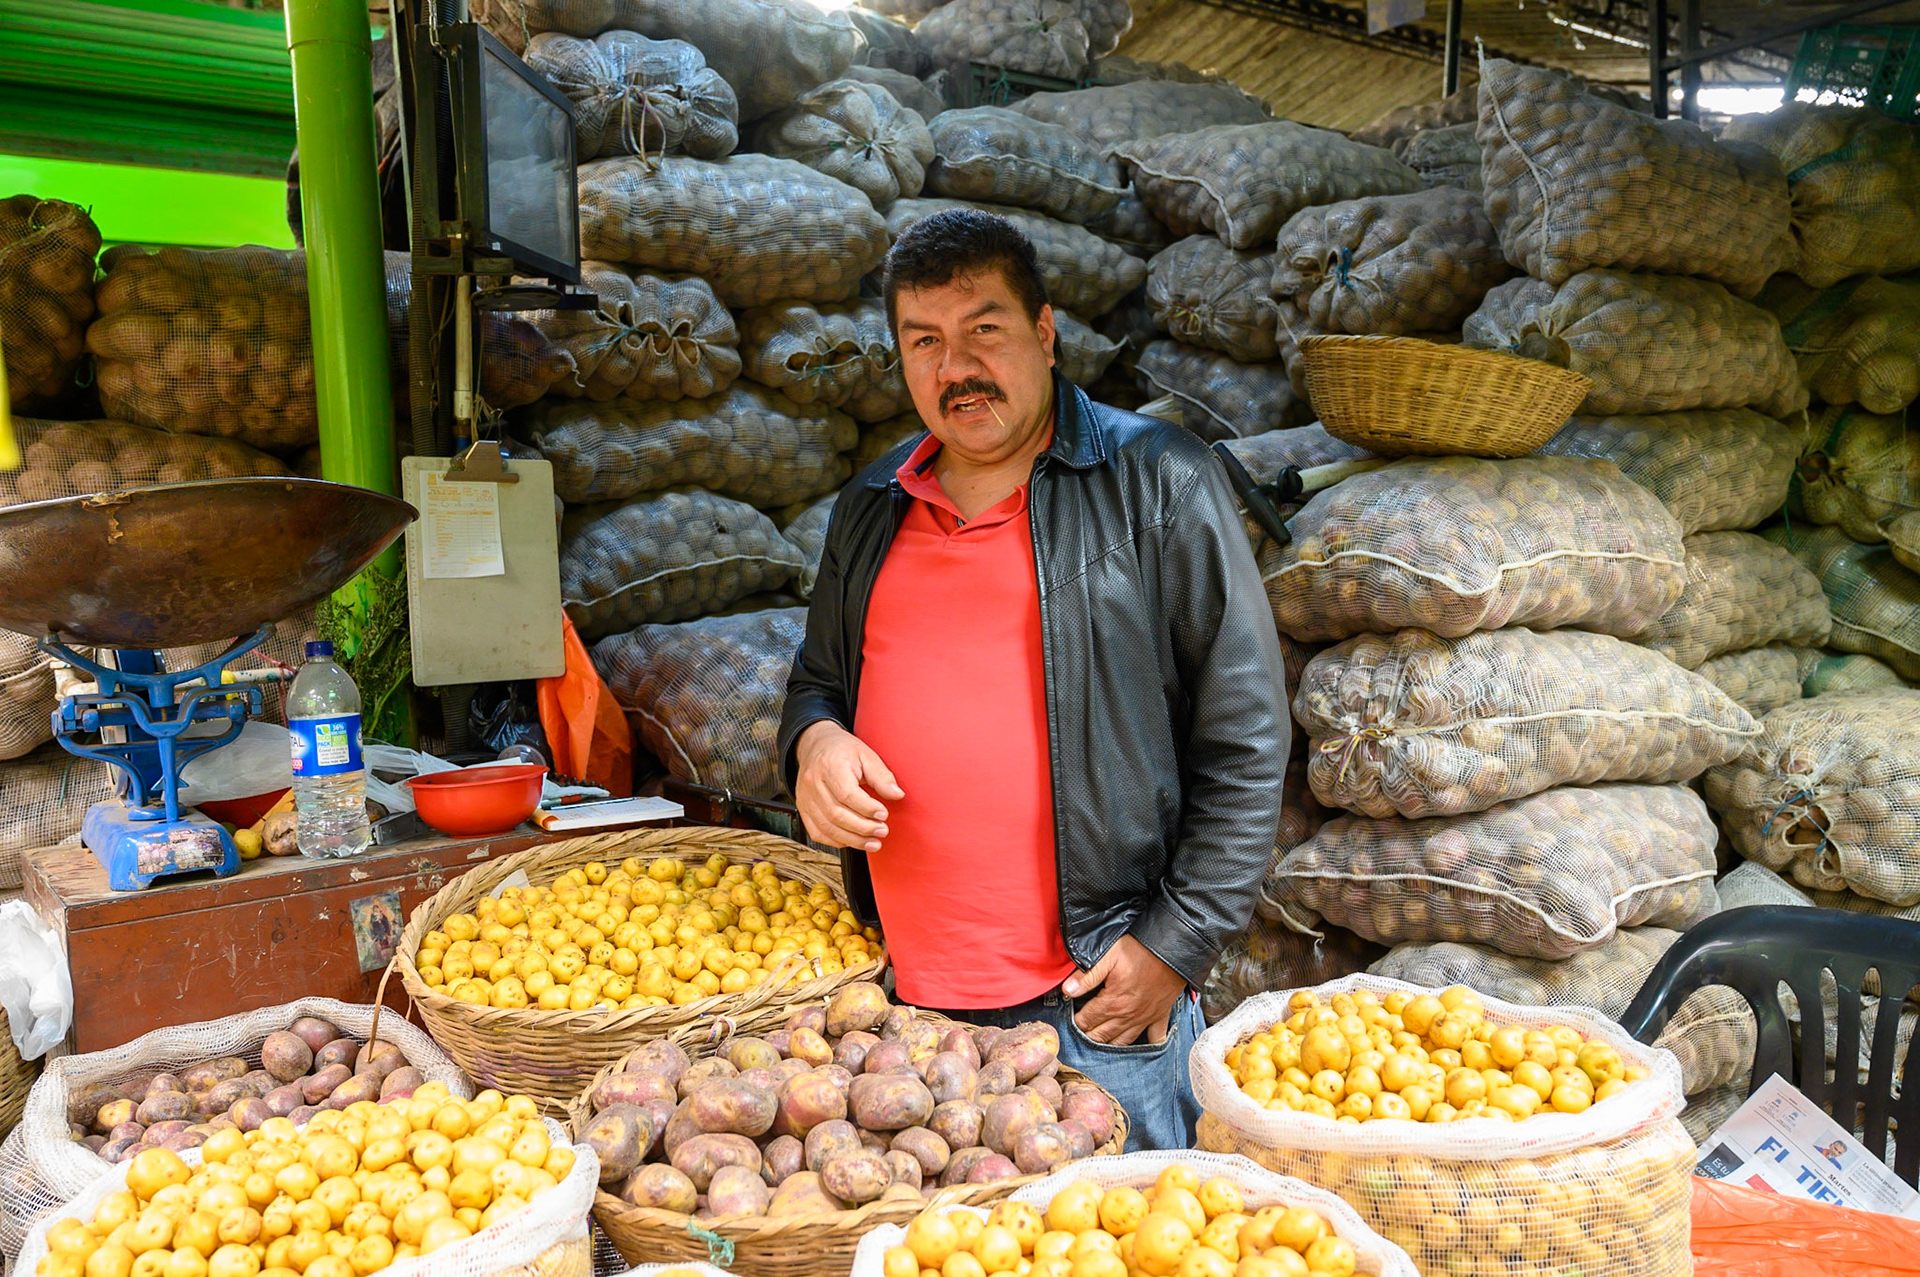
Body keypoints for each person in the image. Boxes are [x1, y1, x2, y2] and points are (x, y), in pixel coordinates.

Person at [776, 208, 1289, 1150]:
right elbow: (817, 682)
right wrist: (814, 741)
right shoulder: (872, 501)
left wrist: (1174, 945)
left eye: (985, 330)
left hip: (1095, 1007)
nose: (955, 366)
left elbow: (1248, 737)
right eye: (924, 340)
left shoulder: (1158, 481)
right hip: (906, 1014)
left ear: (1045, 335)